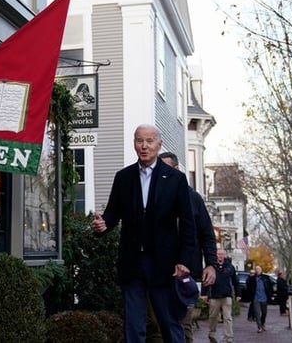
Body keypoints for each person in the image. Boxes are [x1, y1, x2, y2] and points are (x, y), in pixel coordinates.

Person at [92, 124, 197, 343]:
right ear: (134, 144)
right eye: (139, 141)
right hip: (131, 262)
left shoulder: (175, 179)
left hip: (164, 264)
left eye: (149, 141)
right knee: (133, 325)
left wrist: (184, 260)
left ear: (159, 145)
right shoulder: (123, 177)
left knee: (169, 322)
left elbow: (188, 223)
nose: (144, 146)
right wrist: (104, 224)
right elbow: (113, 213)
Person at [146, 152, 218, 343]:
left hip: (183, 275)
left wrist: (211, 264)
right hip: (157, 271)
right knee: (156, 327)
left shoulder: (193, 199)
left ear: (176, 170)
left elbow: (207, 234)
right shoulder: (151, 197)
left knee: (182, 325)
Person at [201, 248, 236, 343]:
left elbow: (235, 281)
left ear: (224, 255)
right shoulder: (211, 267)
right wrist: (203, 293)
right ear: (216, 255)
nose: (220, 256)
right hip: (214, 295)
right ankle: (212, 334)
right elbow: (205, 279)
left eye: (222, 254)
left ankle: (229, 338)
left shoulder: (230, 267)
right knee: (213, 316)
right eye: (218, 254)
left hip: (226, 296)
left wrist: (238, 294)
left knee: (227, 317)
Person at [243, 265, 273, 333]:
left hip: (264, 297)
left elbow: (270, 287)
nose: (257, 270)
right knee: (257, 313)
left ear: (261, 270)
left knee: (264, 312)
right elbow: (248, 288)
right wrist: (250, 297)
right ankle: (259, 327)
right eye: (256, 269)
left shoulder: (266, 278)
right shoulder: (252, 279)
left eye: (259, 269)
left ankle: (262, 324)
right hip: (256, 298)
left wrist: (270, 295)